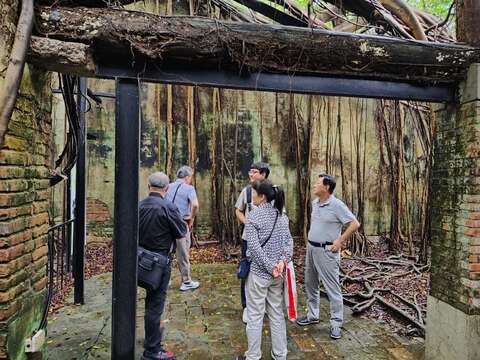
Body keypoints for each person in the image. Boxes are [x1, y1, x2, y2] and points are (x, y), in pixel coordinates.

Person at [296, 174, 360, 339]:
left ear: (327, 187)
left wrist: (339, 241)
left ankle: (336, 323)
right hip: (311, 249)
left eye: (318, 183)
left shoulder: (336, 205)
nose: (314, 186)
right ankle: (312, 315)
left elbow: (354, 224)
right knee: (310, 284)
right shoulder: (315, 203)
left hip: (327, 252)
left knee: (332, 288)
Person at [235, 180, 293, 360]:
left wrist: (270, 267)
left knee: (254, 315)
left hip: (260, 274)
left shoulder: (254, 216)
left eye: (254, 193)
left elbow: (253, 248)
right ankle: (280, 355)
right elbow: (289, 243)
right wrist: (282, 262)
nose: (252, 196)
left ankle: (252, 356)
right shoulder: (282, 216)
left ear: (262, 196)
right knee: (276, 314)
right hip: (278, 275)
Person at [139, 172, 187, 360]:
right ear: (167, 189)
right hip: (158, 264)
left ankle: (144, 338)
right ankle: (152, 350)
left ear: (148, 185)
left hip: (137, 259)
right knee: (154, 305)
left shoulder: (138, 206)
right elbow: (181, 231)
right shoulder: (169, 207)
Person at [235, 162, 270, 323]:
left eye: (254, 172)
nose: (251, 174)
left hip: (268, 240)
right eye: (250, 171)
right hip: (248, 239)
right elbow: (238, 210)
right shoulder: (247, 191)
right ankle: (247, 307)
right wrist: (247, 223)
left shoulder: (273, 191)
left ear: (263, 174)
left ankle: (265, 305)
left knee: (266, 270)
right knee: (246, 270)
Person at [165, 165, 200, 291]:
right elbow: (195, 204)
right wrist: (191, 217)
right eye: (190, 177)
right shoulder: (189, 188)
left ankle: (165, 281)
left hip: (167, 224)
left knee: (167, 253)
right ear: (187, 177)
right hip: (181, 223)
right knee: (183, 253)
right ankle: (186, 281)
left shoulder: (168, 186)